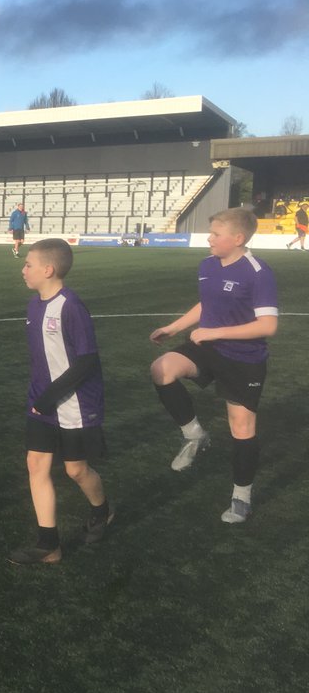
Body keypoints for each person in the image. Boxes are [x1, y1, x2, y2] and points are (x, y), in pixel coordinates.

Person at [149, 208, 278, 524]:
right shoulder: (208, 265)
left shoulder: (257, 272)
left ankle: (241, 497)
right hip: (207, 349)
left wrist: (213, 331)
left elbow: (268, 325)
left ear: (237, 238)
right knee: (161, 369)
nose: (209, 239)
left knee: (241, 427)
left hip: (243, 360)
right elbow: (208, 303)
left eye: (216, 234)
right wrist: (173, 327)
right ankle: (194, 435)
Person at [8, 239, 110, 564]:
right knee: (36, 466)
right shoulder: (34, 305)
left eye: (28, 264)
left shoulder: (71, 307)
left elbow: (86, 361)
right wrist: (42, 397)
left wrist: (51, 396)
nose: (23, 269)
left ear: (48, 269)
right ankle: (49, 545)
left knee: (76, 471)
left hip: (74, 405)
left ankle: (102, 510)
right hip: (41, 403)